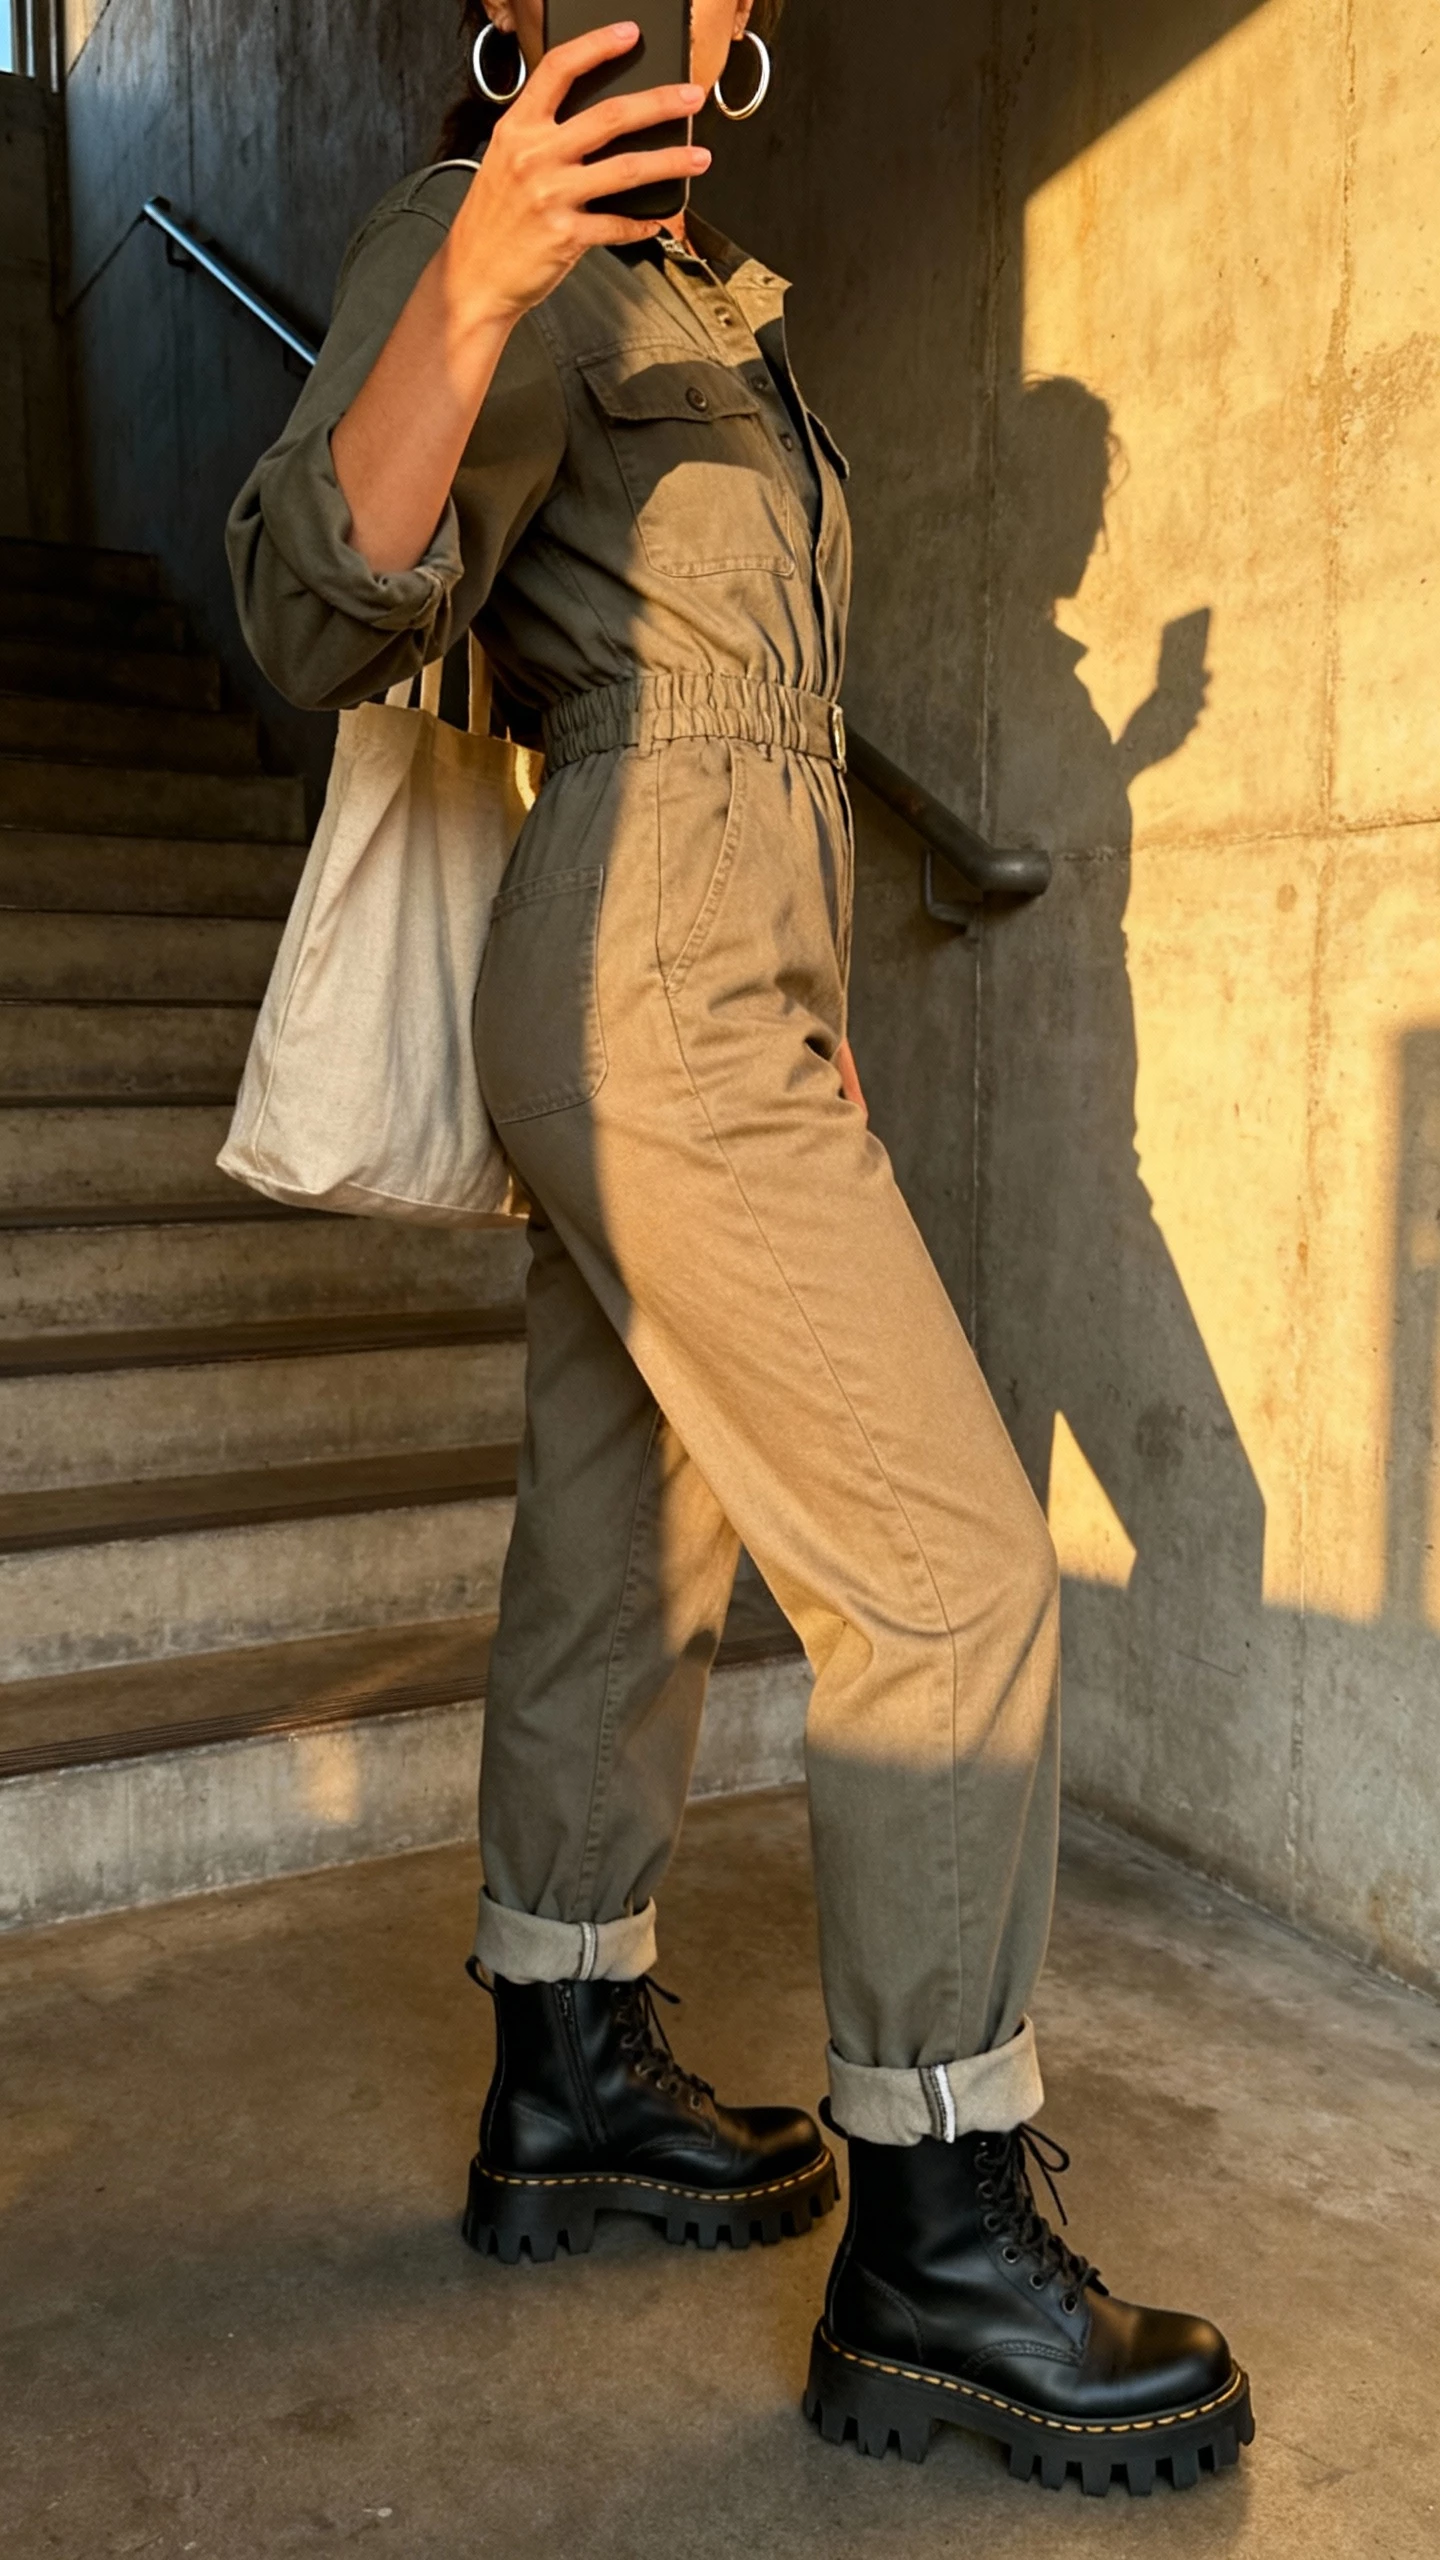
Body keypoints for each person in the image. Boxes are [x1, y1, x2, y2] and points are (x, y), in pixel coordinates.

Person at [227, 0, 1252, 2495]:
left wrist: (808, 973)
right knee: (951, 1568)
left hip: (723, 974)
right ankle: (941, 2239)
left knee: (634, 1533)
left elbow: (754, 708)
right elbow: (308, 602)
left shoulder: (715, 308)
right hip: (637, 971)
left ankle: (566, 2079)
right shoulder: (498, 249)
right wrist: (471, 276)